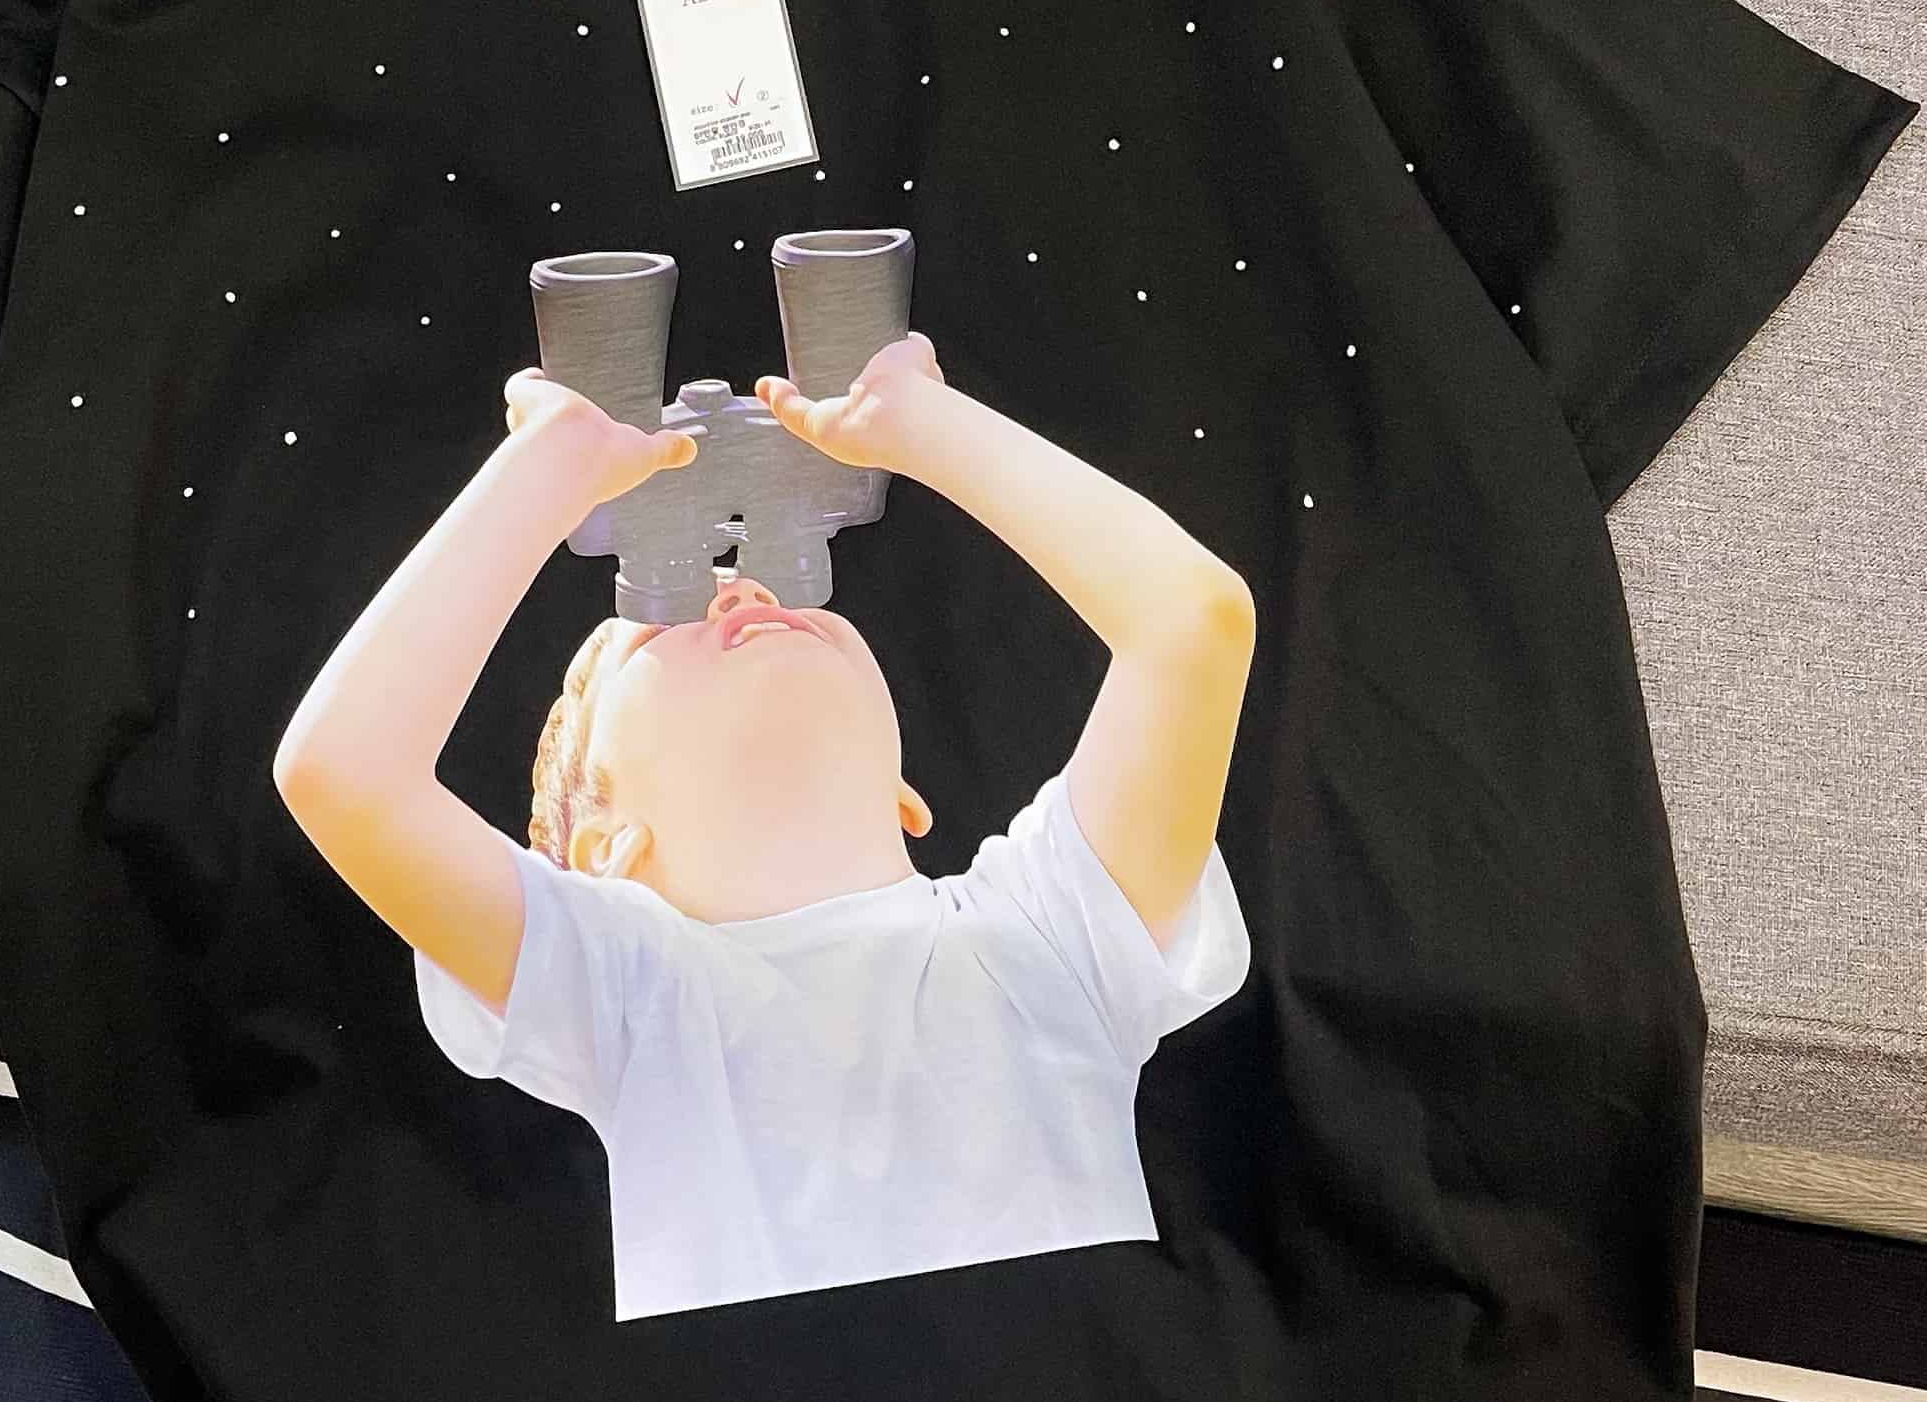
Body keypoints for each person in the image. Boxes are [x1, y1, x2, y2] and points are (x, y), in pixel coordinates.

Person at [272, 328, 1257, 1322]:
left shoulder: (1051, 931)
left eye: (779, 583)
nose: (741, 588)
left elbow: (1194, 621)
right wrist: (542, 469)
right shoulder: (624, 992)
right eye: (661, 616)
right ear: (601, 854)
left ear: (904, 794)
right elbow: (343, 772)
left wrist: (923, 426)